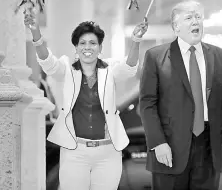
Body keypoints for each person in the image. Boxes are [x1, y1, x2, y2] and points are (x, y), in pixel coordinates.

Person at [24, 10, 148, 190]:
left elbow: (129, 67)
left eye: (93, 43)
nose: (87, 47)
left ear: (100, 48)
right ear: (76, 47)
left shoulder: (110, 69)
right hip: (75, 151)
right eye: (82, 43)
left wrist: (136, 40)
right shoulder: (67, 68)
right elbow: (48, 62)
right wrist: (36, 33)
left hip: (107, 151)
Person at [139, 0, 222, 190]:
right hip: (169, 148)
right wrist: (158, 142)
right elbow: (147, 105)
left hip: (210, 148)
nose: (196, 22)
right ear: (176, 27)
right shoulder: (156, 56)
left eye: (198, 17)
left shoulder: (220, 56)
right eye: (189, 18)